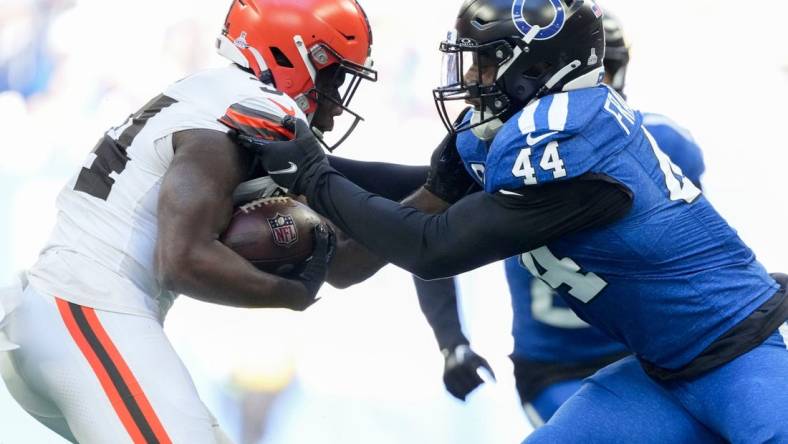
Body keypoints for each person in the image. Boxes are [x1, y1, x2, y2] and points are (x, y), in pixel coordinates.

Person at [241, 0, 788, 442]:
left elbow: (431, 248)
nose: (472, 76)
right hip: (660, 367)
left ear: (536, 68)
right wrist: (304, 162)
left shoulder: (574, 147)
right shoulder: (514, 132)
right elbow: (421, 194)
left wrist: (314, 176)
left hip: (746, 352)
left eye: (485, 61)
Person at [0, 1, 425, 442]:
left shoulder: (218, 97)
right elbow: (182, 261)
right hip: (87, 310)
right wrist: (288, 293)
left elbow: (345, 248)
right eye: (335, 75)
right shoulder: (246, 113)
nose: (337, 101)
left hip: (65, 316)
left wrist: (443, 186)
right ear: (294, 56)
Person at [413, 11, 707, 428]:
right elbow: (426, 238)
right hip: (557, 366)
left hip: (646, 352)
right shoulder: (507, 153)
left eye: (601, 71)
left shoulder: (662, 144)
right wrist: (451, 341)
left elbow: (698, 256)